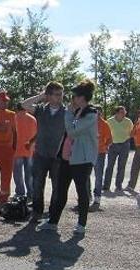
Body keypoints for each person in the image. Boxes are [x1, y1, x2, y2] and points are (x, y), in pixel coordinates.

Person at [38, 79, 98, 235]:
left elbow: (72, 131)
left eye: (74, 96)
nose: (71, 99)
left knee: (82, 192)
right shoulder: (75, 112)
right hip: (66, 158)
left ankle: (81, 224)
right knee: (61, 191)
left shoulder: (91, 114)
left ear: (81, 98)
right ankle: (52, 222)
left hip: (82, 160)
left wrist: (68, 114)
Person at [21, 81, 66, 222]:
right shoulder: (41, 110)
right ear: (49, 95)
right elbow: (24, 105)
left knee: (57, 187)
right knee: (37, 184)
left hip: (58, 156)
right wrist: (41, 96)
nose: (60, 97)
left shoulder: (67, 112)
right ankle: (37, 212)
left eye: (61, 94)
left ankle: (53, 214)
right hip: (40, 154)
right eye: (56, 94)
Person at [103, 106, 133, 192]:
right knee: (109, 166)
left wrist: (128, 139)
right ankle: (106, 185)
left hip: (124, 144)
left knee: (121, 166)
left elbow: (131, 133)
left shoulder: (128, 121)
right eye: (121, 112)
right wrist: (106, 144)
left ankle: (118, 185)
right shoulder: (109, 121)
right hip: (113, 145)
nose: (123, 114)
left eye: (124, 112)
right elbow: (106, 134)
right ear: (116, 113)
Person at [13, 103, 37, 198]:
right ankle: (31, 192)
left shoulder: (14, 118)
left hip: (17, 149)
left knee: (18, 173)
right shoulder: (33, 119)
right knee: (29, 173)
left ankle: (20, 192)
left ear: (17, 108)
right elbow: (36, 133)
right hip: (29, 149)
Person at [92, 106, 113, 207]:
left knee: (98, 175)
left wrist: (104, 146)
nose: (97, 113)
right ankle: (86, 195)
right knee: (84, 175)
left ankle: (97, 197)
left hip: (100, 153)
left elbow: (110, 139)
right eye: (95, 111)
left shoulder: (104, 124)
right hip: (87, 152)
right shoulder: (87, 122)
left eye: (99, 112)